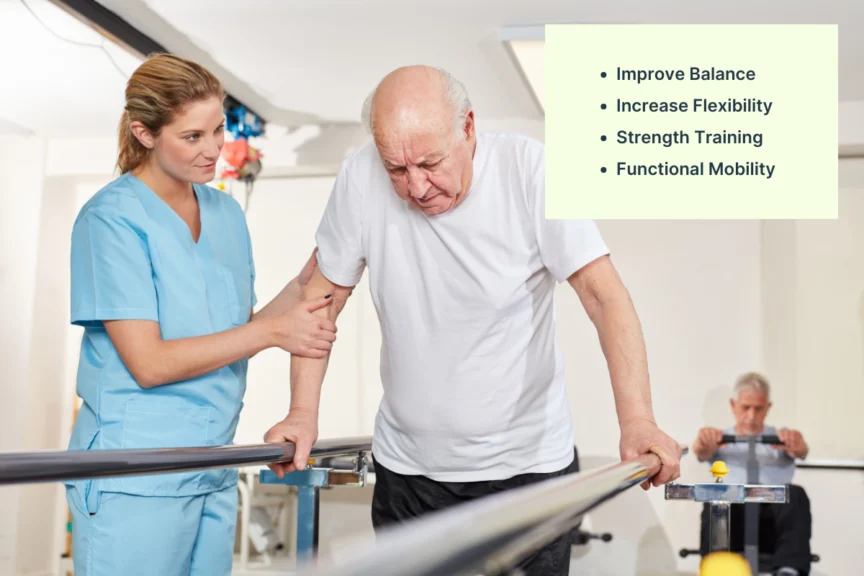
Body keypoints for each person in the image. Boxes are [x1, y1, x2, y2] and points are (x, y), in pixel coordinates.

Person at [264, 65, 682, 575]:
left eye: (430, 162)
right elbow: (321, 300)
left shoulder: (529, 171)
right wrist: (302, 411)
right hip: (408, 475)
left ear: (467, 128)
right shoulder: (359, 176)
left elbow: (603, 296)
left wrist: (636, 420)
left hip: (528, 474)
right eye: (397, 169)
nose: (416, 186)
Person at [65, 53, 337, 576]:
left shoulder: (225, 213)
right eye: (192, 137)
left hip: (212, 465)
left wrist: (307, 282)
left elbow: (236, 326)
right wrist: (272, 333)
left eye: (219, 129)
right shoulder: (111, 220)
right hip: (134, 477)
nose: (213, 149)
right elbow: (149, 363)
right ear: (144, 133)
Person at [693, 372, 812, 576]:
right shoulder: (719, 438)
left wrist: (798, 444)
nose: (751, 416)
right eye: (745, 407)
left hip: (772, 527)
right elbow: (701, 451)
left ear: (768, 408)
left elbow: (801, 450)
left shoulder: (782, 438)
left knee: (796, 494)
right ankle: (717, 568)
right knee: (716, 497)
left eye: (758, 409)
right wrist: (703, 441)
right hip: (733, 525)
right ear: (733, 405)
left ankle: (788, 570)